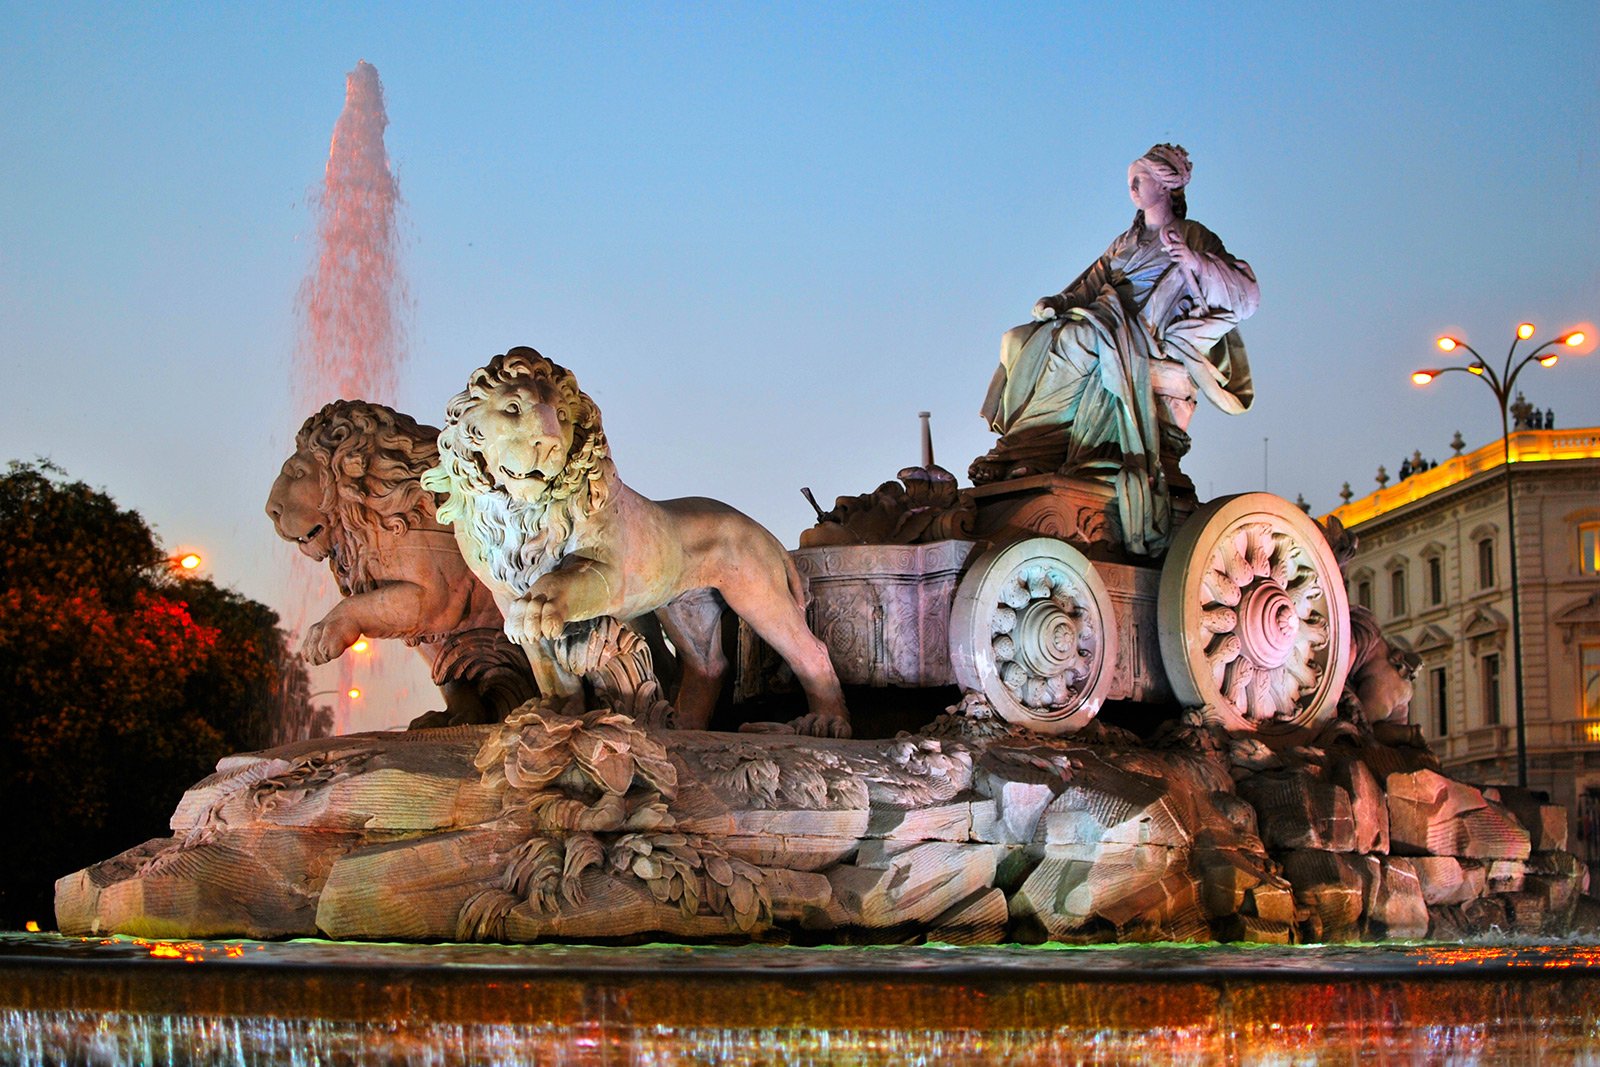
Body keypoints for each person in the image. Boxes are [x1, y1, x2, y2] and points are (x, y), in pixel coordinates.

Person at [972, 144, 1259, 554]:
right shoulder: (1124, 241)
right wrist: (1058, 302)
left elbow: (1246, 296)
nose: (1132, 189)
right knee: (1016, 340)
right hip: (1109, 319)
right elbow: (1089, 285)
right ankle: (1022, 443)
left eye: (1138, 180)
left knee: (1079, 340)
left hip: (1146, 334)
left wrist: (1195, 262)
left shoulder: (1193, 236)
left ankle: (1035, 447)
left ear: (1165, 185)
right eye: (1130, 182)